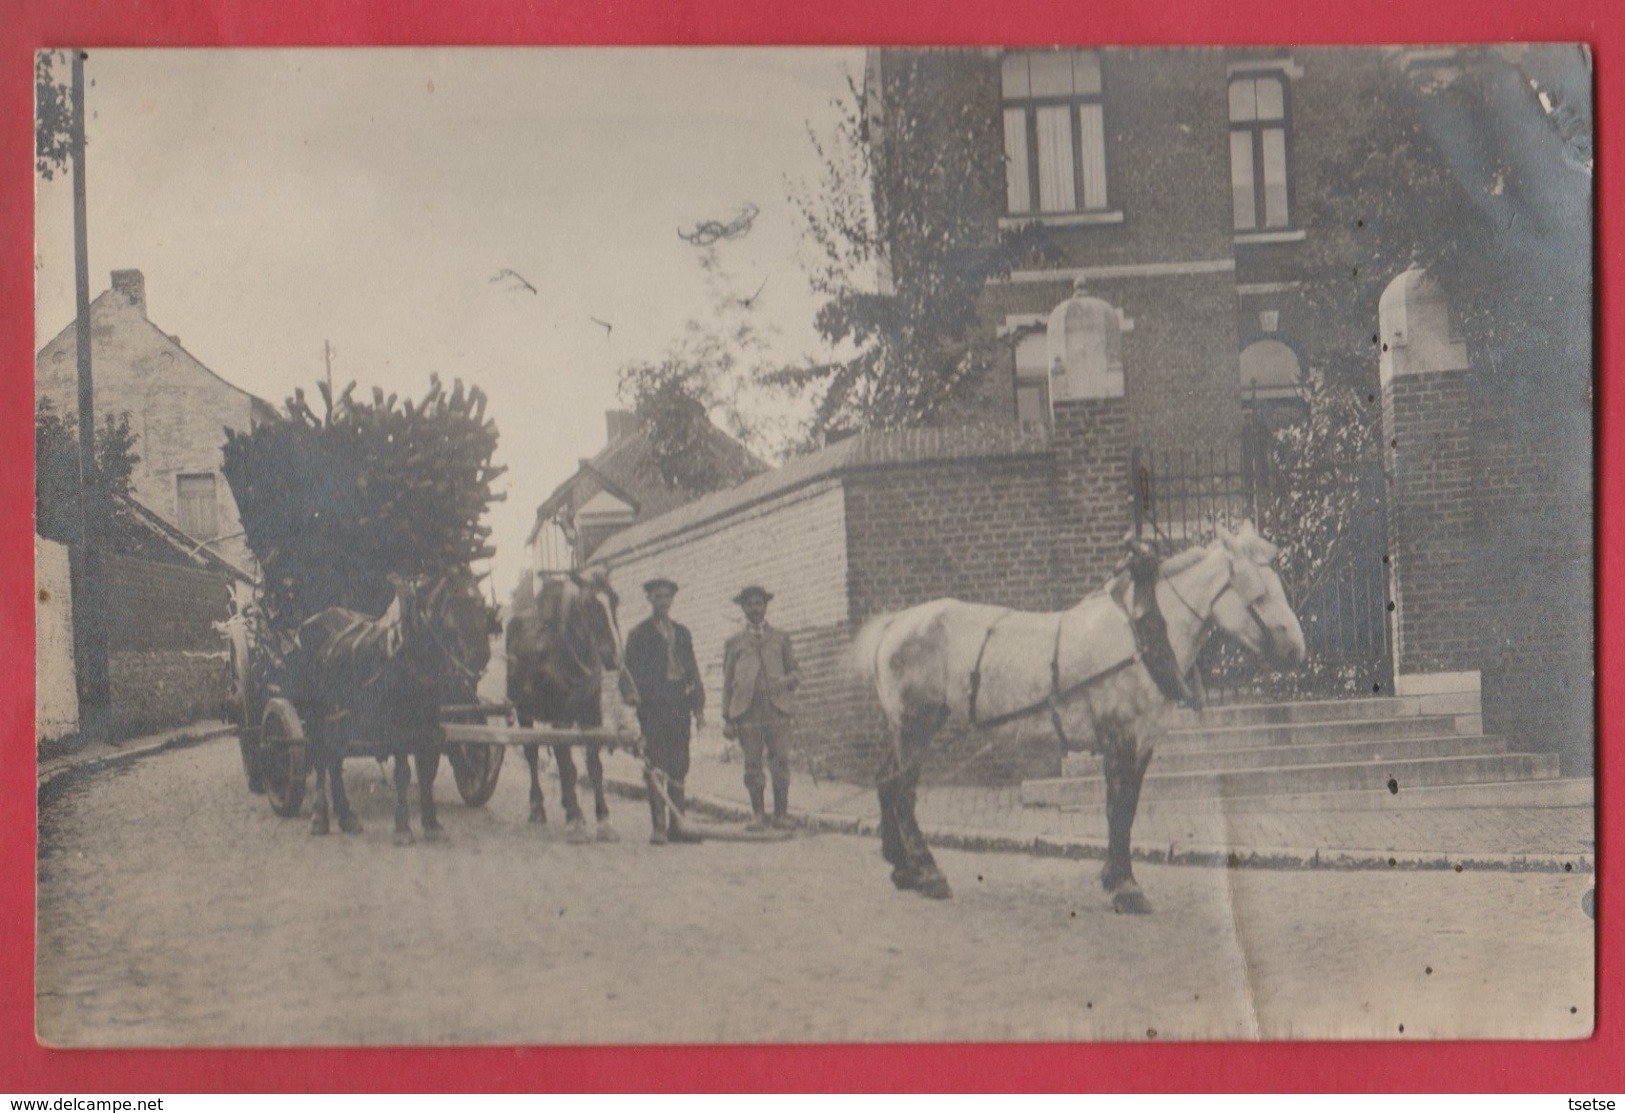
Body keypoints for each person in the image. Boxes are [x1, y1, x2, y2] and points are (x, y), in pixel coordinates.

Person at [624, 577, 705, 845]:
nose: (662, 602)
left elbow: (692, 669)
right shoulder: (639, 635)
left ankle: (678, 825)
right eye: (657, 597)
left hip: (679, 703)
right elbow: (628, 673)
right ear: (649, 600)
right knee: (656, 762)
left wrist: (698, 706)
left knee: (680, 762)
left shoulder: (682, 633)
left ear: (672, 600)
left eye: (666, 597)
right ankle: (659, 826)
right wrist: (635, 701)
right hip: (654, 706)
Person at [721, 585, 802, 831]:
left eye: (758, 603)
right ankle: (758, 814)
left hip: (776, 708)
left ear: (765, 606)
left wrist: (785, 682)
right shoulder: (734, 642)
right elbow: (727, 682)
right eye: (749, 604)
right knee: (752, 762)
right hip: (747, 711)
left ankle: (780, 813)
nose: (754, 609)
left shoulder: (781, 638)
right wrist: (727, 717)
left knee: (780, 760)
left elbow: (796, 672)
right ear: (743, 608)